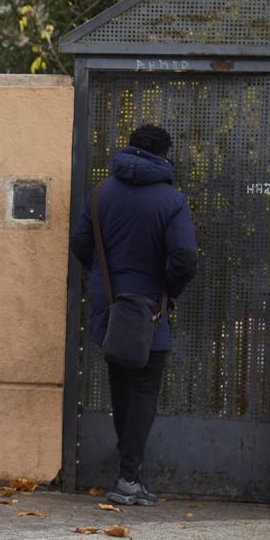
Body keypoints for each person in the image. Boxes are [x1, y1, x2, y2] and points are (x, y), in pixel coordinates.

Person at [72, 124, 198, 506]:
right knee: (143, 392)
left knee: (121, 389)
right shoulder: (171, 200)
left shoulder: (101, 193)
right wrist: (168, 292)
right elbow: (185, 257)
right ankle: (128, 479)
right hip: (150, 312)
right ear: (165, 154)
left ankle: (129, 477)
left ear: (129, 149)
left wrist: (101, 278)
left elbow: (80, 241)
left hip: (111, 307)